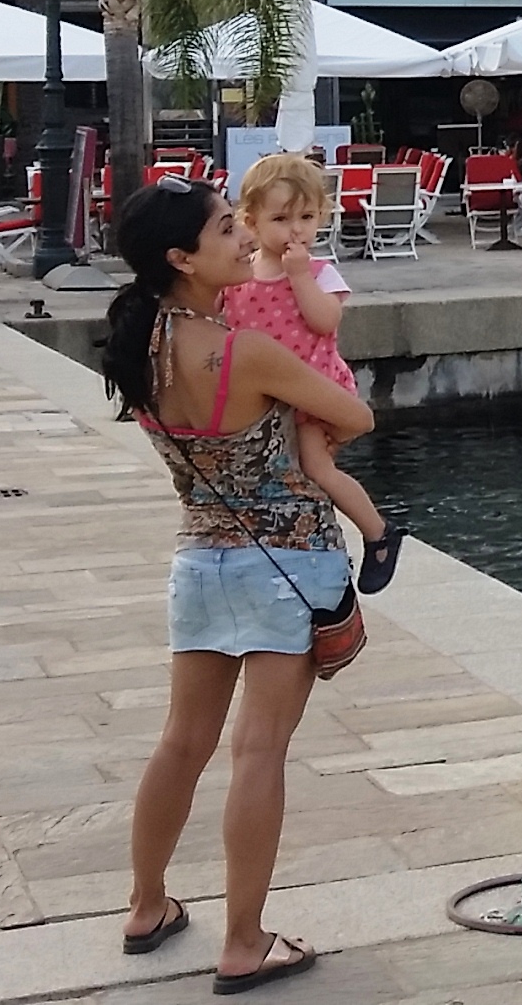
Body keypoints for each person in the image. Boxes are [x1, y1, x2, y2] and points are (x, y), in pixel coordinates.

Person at [107, 177, 372, 992]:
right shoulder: (242, 352)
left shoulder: (140, 345)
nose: (243, 238)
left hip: (200, 560)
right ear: (182, 258)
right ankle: (244, 941)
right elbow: (355, 417)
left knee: (181, 743)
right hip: (286, 560)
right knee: (259, 750)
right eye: (226, 229)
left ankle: (146, 905)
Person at [222, 153, 405, 594]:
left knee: (316, 466)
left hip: (315, 389)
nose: (296, 230)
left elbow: (325, 321)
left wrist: (300, 277)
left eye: (306, 217)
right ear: (251, 221)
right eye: (281, 219)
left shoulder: (320, 272)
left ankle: (379, 533)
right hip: (265, 396)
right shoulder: (239, 277)